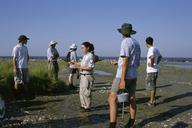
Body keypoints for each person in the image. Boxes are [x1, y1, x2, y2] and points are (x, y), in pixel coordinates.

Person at [108, 23, 141, 128]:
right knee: (131, 98)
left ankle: (112, 125)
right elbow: (132, 61)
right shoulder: (136, 42)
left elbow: (126, 60)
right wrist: (118, 63)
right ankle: (131, 122)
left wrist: (122, 79)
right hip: (133, 74)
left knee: (112, 99)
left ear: (122, 33)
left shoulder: (125, 42)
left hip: (123, 75)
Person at [75, 42, 95, 111]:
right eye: (81, 48)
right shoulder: (85, 55)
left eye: (83, 48)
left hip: (87, 76)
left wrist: (80, 67)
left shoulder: (90, 55)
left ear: (88, 48)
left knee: (86, 92)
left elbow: (91, 67)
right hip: (82, 75)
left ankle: (87, 107)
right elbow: (82, 63)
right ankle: (83, 105)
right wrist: (75, 63)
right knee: (81, 91)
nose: (82, 49)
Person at [145, 37, 162, 106]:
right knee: (153, 86)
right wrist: (156, 63)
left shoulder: (150, 49)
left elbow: (152, 57)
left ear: (146, 43)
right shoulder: (156, 49)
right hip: (155, 70)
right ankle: (153, 100)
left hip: (151, 71)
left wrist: (152, 64)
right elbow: (160, 57)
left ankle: (151, 101)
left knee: (151, 87)